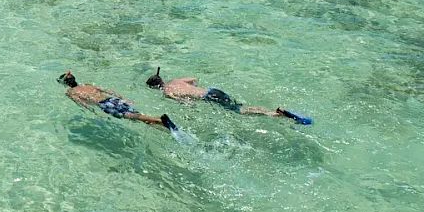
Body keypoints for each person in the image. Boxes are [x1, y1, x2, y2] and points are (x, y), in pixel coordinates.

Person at [144, 68, 313, 125]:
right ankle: (273, 111)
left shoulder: (166, 91)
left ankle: (276, 114)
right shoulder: (176, 80)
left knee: (241, 112)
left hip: (210, 98)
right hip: (212, 91)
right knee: (241, 107)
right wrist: (191, 90)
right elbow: (194, 79)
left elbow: (179, 100)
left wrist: (188, 103)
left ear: (155, 88)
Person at [58, 71, 177, 131]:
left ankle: (159, 119)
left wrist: (93, 112)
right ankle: (163, 125)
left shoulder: (70, 92)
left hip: (105, 104)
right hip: (113, 99)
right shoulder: (87, 85)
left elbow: (81, 103)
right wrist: (122, 98)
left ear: (66, 84)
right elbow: (107, 90)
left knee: (133, 117)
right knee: (137, 116)